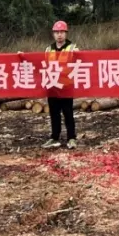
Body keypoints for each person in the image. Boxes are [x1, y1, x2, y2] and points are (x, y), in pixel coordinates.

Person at [43, 20, 79, 150]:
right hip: (53, 87)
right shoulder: (48, 49)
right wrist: (22, 57)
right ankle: (54, 137)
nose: (59, 35)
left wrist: (78, 55)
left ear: (66, 33)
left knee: (68, 113)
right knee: (54, 114)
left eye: (62, 32)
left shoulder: (73, 48)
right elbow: (41, 65)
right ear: (53, 34)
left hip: (66, 87)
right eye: (57, 32)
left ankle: (71, 138)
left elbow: (81, 62)